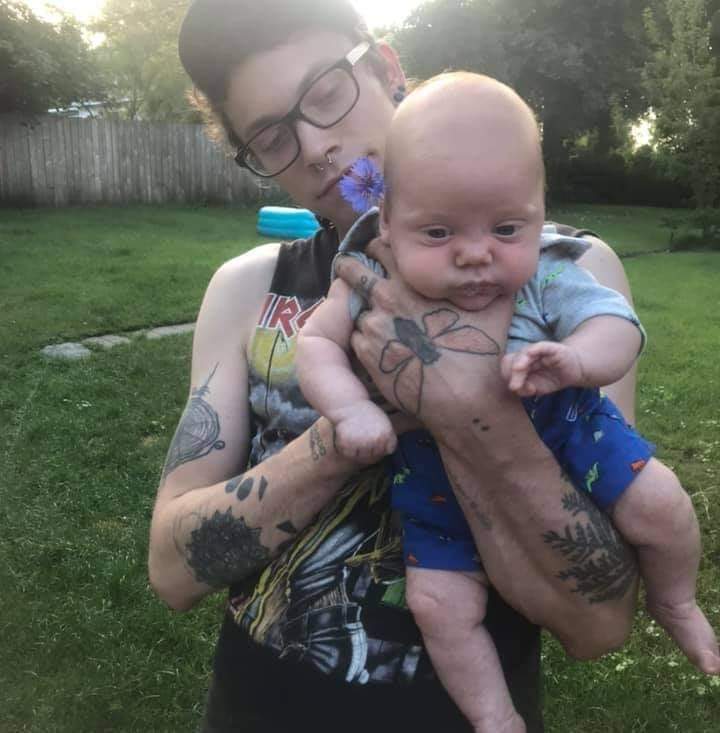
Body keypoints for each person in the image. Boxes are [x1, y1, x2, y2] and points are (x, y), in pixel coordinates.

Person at [148, 2, 646, 731]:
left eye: (324, 94)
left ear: (387, 69)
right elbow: (171, 570)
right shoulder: (246, 291)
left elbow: (599, 621)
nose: (316, 146)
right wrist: (343, 432)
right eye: (272, 138)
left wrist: (466, 407)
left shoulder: (566, 279)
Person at [296, 71, 719, 733]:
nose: (474, 254)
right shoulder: (369, 276)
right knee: (438, 604)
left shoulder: (550, 269)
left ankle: (676, 600)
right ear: (389, 219)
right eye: (437, 232)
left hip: (568, 430)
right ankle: (495, 715)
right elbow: (315, 344)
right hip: (427, 468)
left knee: (663, 505)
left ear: (539, 212)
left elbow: (619, 329)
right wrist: (350, 408)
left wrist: (577, 358)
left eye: (506, 227)